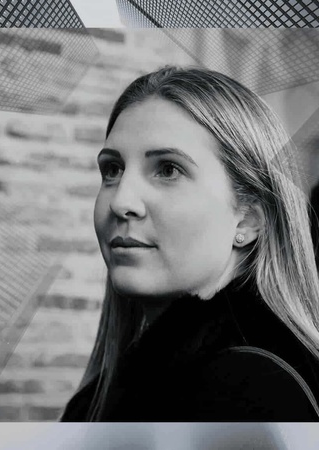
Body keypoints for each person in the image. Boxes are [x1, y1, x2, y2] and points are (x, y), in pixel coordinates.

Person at [60, 66, 319, 422]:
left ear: (247, 219)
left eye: (168, 169)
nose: (121, 201)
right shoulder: (128, 386)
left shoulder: (252, 391)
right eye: (113, 169)